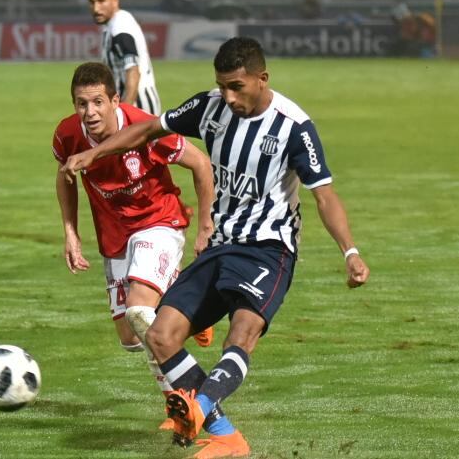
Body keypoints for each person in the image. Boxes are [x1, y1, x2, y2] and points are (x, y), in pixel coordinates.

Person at [61, 38, 370, 459]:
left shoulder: (293, 127)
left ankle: (200, 407)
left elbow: (324, 195)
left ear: (262, 79)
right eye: (222, 86)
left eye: (237, 87)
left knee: (241, 333)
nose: (228, 96)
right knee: (158, 335)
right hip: (220, 247)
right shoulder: (211, 107)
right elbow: (149, 127)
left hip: (267, 250)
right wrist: (94, 153)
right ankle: (226, 436)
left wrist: (350, 252)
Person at [53, 62, 216, 429]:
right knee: (130, 337)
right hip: (115, 236)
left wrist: (206, 223)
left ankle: (185, 404)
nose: (90, 112)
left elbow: (201, 164)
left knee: (141, 313)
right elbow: (65, 176)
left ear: (114, 100)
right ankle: (190, 311)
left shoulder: (145, 126)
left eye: (97, 102)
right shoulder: (67, 135)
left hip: (159, 222)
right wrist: (70, 230)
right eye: (81, 104)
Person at [88, 0, 161, 114]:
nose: (96, 8)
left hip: (138, 102)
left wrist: (126, 112)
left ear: (115, 1)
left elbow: (133, 70)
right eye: (92, 2)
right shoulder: (113, 25)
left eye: (101, 1)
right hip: (128, 99)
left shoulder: (120, 29)